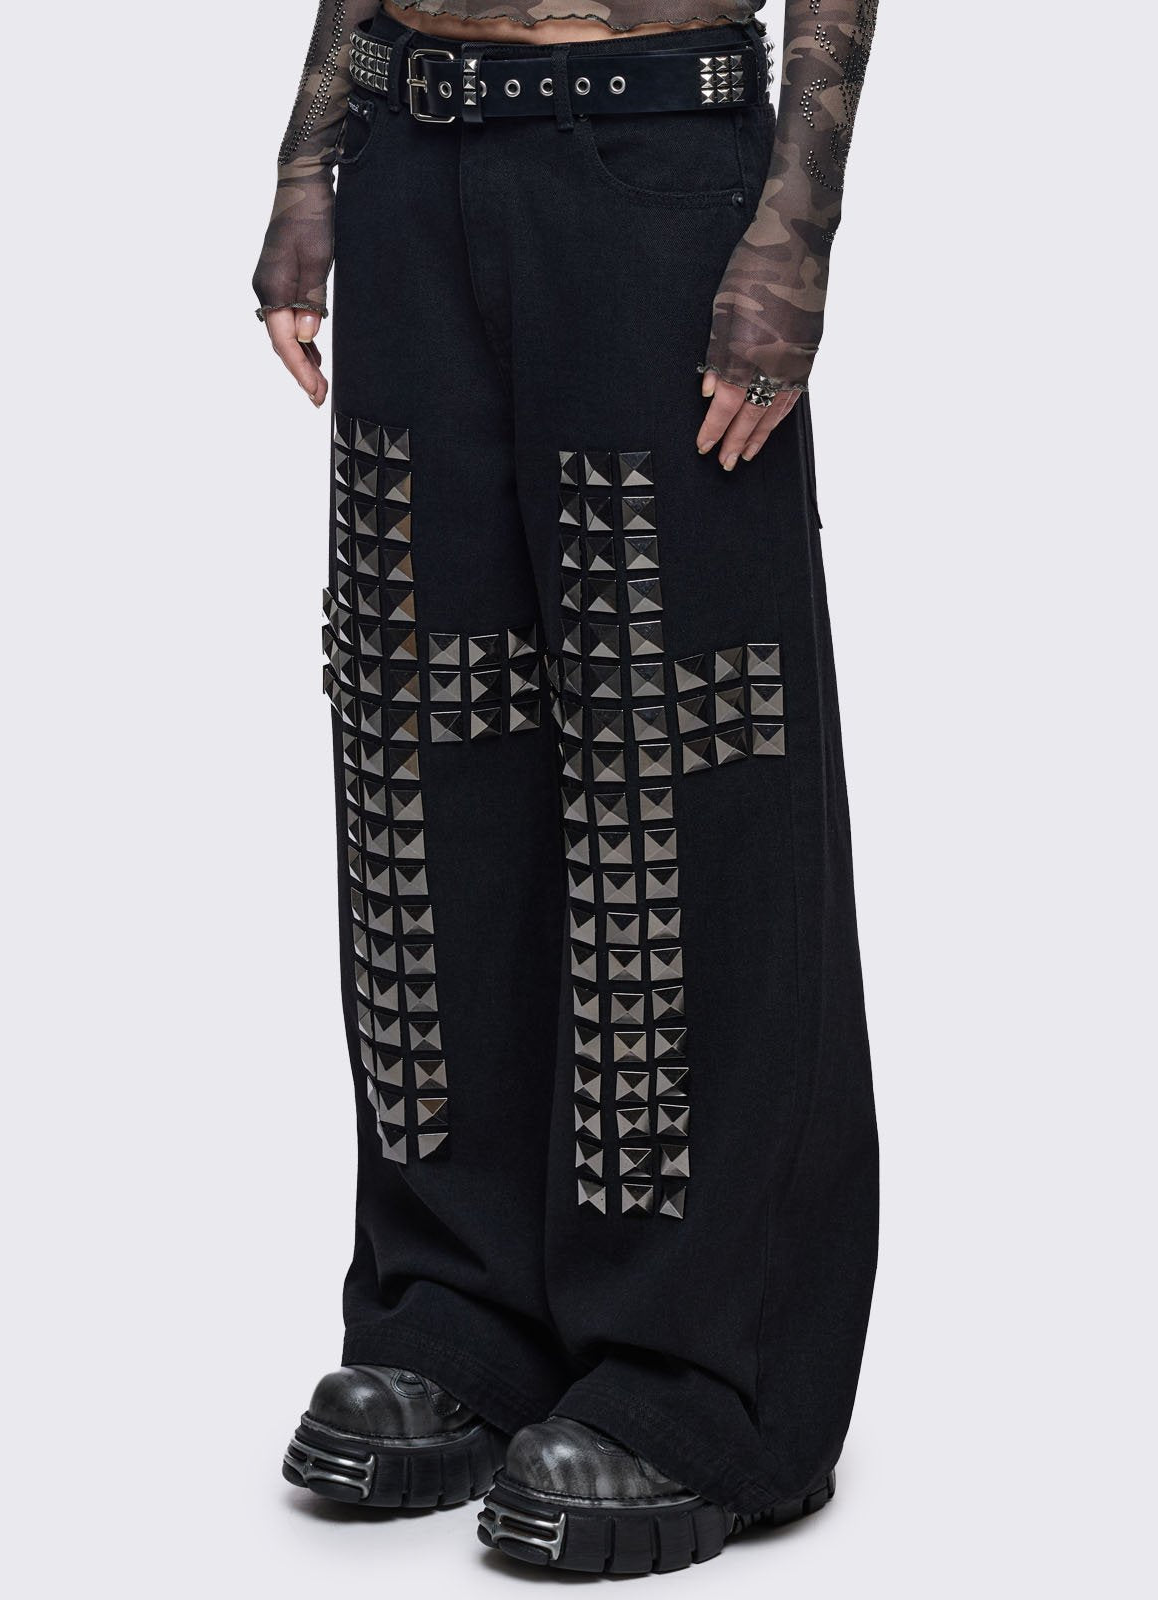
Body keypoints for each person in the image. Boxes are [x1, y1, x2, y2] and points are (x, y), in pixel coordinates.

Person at [254, 0, 879, 1574]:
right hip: (415, 148)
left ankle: (705, 1380)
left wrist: (795, 222)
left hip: (657, 154)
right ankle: (457, 1315)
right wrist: (311, 157)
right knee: (422, 748)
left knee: (677, 760)